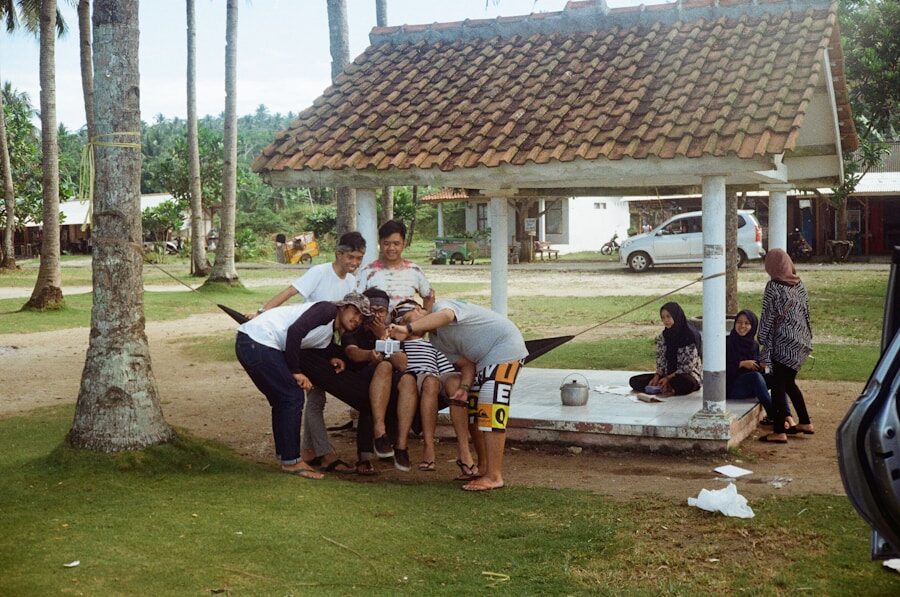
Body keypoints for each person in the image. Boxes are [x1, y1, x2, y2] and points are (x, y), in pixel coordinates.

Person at [246, 231, 367, 472]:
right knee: (312, 398)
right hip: (301, 343)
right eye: (350, 257)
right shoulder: (320, 272)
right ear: (339, 253)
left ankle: (310, 451)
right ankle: (323, 453)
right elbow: (290, 292)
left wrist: (334, 352)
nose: (354, 263)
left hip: (320, 343)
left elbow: (344, 321)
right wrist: (262, 312)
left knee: (316, 398)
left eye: (359, 258)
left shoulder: (352, 282)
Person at [389, 299, 527, 492]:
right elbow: (467, 364)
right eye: (401, 323)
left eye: (406, 318)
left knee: (490, 405)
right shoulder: (437, 340)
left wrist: (408, 328)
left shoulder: (442, 307)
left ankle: (494, 476)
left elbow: (446, 316)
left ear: (419, 309)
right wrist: (463, 387)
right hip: (482, 361)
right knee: (473, 410)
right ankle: (484, 466)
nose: (404, 324)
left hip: (505, 350)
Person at [234, 292, 372, 478]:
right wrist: (295, 371)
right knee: (291, 395)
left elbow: (318, 348)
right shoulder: (327, 309)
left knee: (284, 399)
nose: (356, 319)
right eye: (354, 312)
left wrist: (333, 357)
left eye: (361, 317)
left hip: (253, 342)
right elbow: (295, 331)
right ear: (342, 306)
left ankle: (287, 458)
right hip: (258, 340)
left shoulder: (327, 333)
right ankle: (292, 461)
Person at [339, 288, 418, 472]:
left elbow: (402, 364)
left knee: (405, 380)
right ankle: (376, 437)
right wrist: (370, 355)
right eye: (372, 310)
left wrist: (383, 336)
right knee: (383, 368)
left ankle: (399, 446)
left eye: (380, 311)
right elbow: (352, 352)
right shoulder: (354, 330)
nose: (376, 315)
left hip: (391, 383)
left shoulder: (391, 331)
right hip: (360, 380)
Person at [392, 299, 462, 472]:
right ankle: (405, 446)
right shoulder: (394, 343)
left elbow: (446, 373)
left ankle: (429, 447)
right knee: (417, 380)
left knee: (431, 381)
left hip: (430, 383)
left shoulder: (434, 344)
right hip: (405, 383)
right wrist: (395, 342)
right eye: (412, 312)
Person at [758, 249, 814, 444]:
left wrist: (761, 338)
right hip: (802, 342)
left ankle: (779, 431)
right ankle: (805, 422)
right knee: (789, 382)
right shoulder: (800, 285)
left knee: (778, 385)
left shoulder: (773, 287)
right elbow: (806, 313)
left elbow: (768, 316)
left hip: (783, 343)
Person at [726, 309, 793, 425]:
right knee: (755, 377)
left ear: (753, 326)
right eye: (739, 322)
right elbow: (719, 371)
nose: (742, 326)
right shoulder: (727, 342)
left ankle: (787, 416)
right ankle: (773, 415)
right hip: (732, 388)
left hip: (752, 385)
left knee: (778, 377)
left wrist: (763, 366)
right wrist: (741, 364)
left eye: (747, 323)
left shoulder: (754, 345)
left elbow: (758, 370)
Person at [355, 219, 434, 311]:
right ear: (380, 243)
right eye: (386, 243)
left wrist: (425, 315)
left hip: (407, 322)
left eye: (396, 244)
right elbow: (357, 302)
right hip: (376, 321)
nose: (391, 248)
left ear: (404, 243)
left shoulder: (415, 270)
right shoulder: (367, 271)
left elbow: (429, 296)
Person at [628, 302, 702, 396]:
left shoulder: (689, 336)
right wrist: (657, 376)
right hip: (666, 374)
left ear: (676, 316)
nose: (666, 320)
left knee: (684, 384)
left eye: (668, 316)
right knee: (634, 381)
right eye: (663, 317)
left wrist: (668, 378)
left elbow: (687, 367)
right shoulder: (663, 336)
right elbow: (660, 360)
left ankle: (668, 386)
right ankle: (665, 387)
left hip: (686, 375)